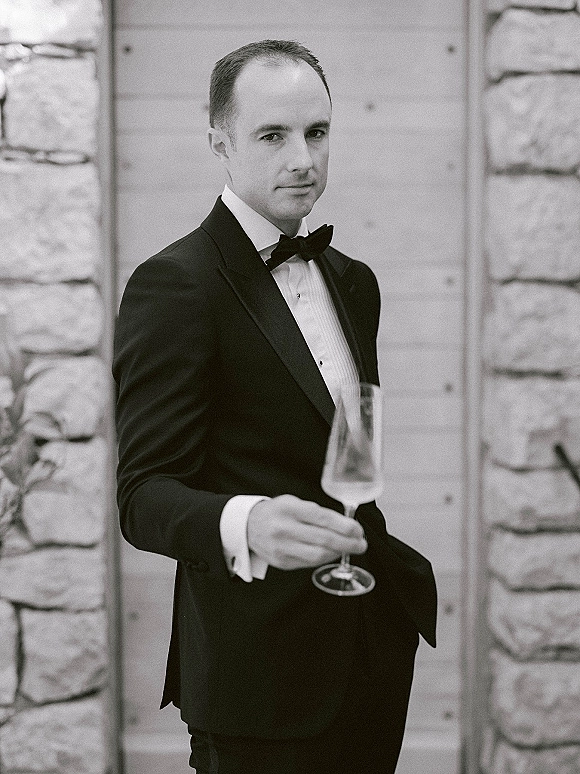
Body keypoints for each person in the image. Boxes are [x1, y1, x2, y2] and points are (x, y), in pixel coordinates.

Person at [113, 40, 437, 774]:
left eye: (317, 133)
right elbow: (142, 497)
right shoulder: (175, 286)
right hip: (256, 683)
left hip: (372, 651)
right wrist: (249, 522)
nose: (303, 158)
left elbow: (346, 451)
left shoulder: (354, 281)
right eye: (273, 135)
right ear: (220, 143)